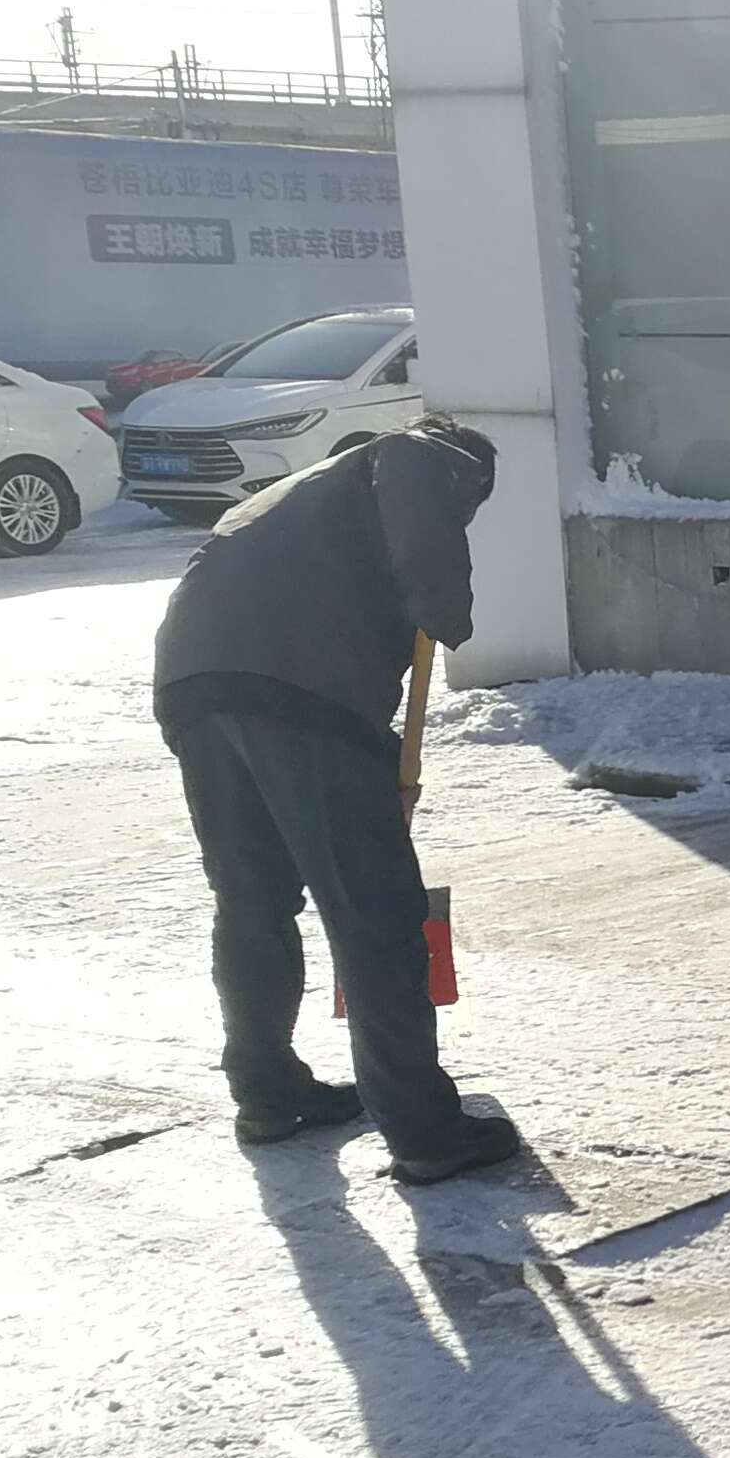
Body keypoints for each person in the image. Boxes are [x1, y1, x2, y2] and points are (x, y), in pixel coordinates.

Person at [151, 419, 524, 1182]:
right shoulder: (418, 455)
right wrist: (445, 606)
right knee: (375, 913)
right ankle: (424, 1132)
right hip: (300, 692)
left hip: (196, 686)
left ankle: (268, 1093)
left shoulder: (296, 498)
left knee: (252, 899)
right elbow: (426, 546)